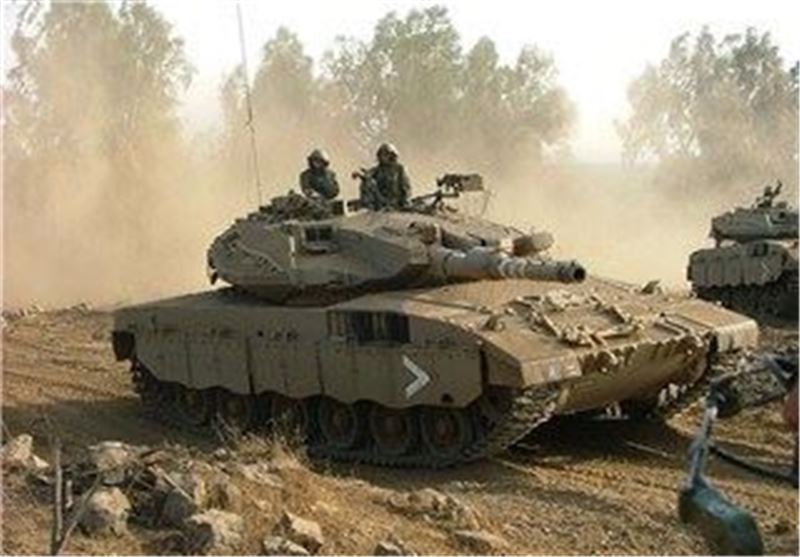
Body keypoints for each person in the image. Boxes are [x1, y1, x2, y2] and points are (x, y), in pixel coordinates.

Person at [359, 143, 412, 210]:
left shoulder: (400, 169)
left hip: (395, 201)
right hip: (381, 200)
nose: (381, 158)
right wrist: (364, 176)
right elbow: (369, 175)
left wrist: (406, 202)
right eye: (380, 155)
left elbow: (406, 187)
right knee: (368, 182)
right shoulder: (378, 169)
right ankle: (368, 206)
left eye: (384, 155)